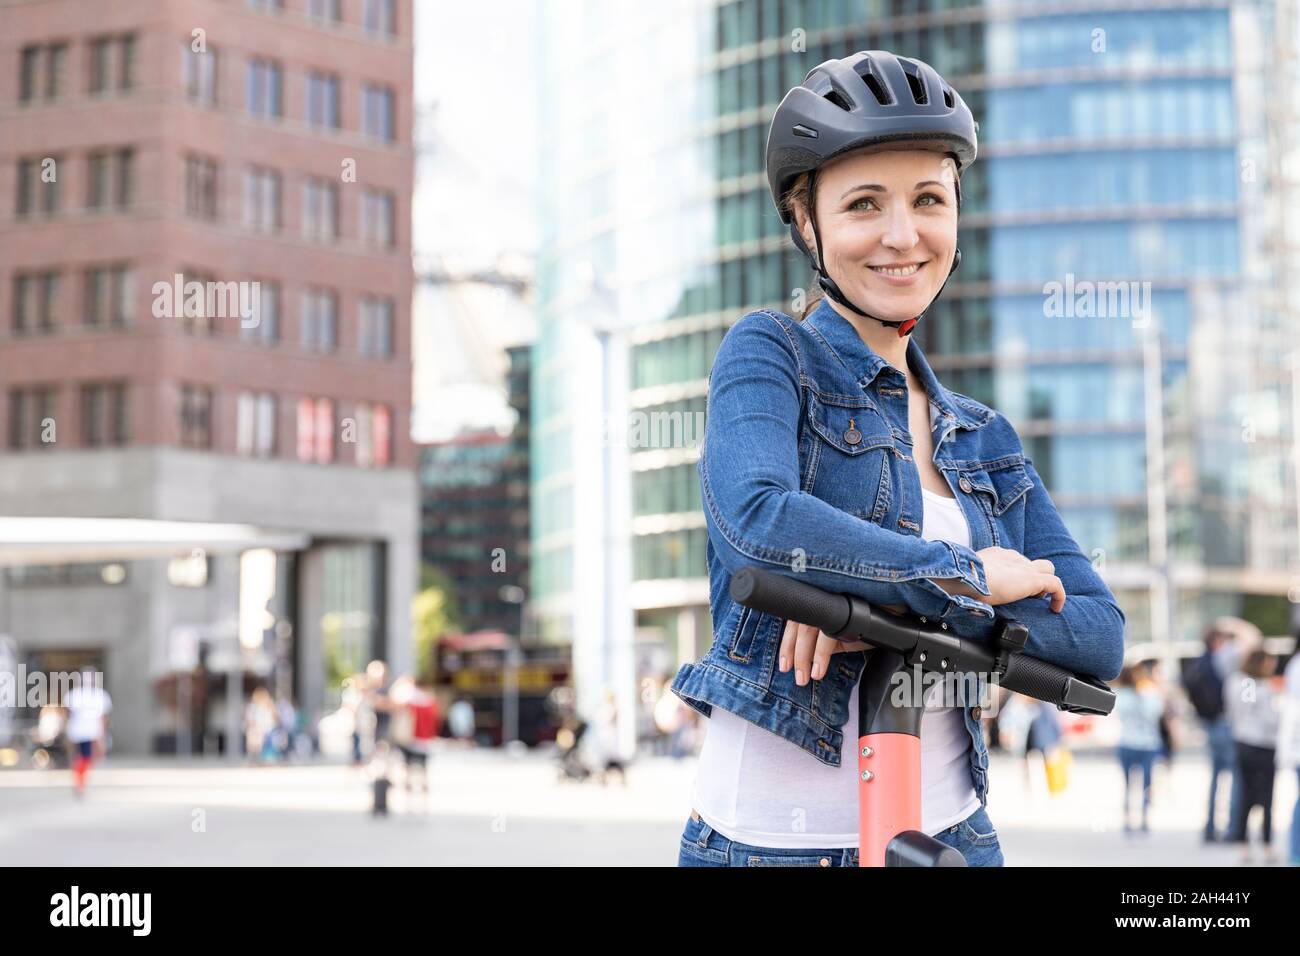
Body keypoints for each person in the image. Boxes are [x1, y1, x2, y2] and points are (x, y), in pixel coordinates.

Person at [671, 50, 1125, 867]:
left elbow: (1097, 639)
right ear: (807, 223)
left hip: (953, 835)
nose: (901, 235)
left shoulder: (984, 436)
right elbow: (757, 520)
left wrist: (877, 615)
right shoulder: (770, 355)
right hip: (773, 845)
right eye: (864, 204)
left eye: (927, 199)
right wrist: (970, 577)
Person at [1224, 649, 1282, 863]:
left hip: (1243, 742)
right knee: (1266, 797)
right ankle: (1266, 845)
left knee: (1246, 796)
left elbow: (1235, 710)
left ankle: (1243, 844)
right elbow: (1264, 714)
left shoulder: (1235, 681)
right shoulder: (1257, 685)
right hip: (1263, 744)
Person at [1114, 662, 1164, 836]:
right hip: (1148, 743)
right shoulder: (1150, 694)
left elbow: (1117, 714)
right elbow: (1157, 714)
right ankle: (1144, 818)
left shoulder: (1120, 695)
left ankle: (1128, 819)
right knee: (1147, 784)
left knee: (1127, 784)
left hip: (1127, 741)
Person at [64, 668, 112, 797]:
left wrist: (102, 735)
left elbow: (103, 718)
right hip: (78, 732)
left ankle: (80, 781)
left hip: (90, 732)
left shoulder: (100, 696)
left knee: (85, 758)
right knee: (81, 758)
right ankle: (80, 781)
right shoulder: (74, 695)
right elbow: (69, 715)